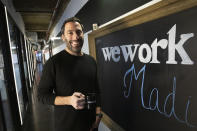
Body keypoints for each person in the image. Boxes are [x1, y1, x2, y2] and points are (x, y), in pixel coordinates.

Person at [38, 17, 102, 131]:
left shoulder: (91, 61)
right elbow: (42, 96)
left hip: (91, 126)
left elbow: (97, 90)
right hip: (67, 126)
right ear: (63, 37)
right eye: (70, 33)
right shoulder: (54, 63)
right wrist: (69, 100)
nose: (76, 37)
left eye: (78, 32)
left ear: (83, 33)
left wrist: (98, 116)